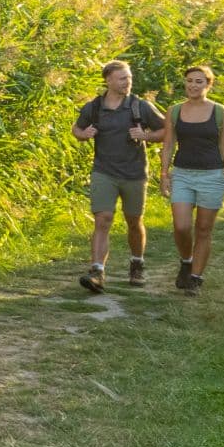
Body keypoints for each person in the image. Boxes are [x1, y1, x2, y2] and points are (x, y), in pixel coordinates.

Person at [73, 60, 165, 293]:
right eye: (123, 78)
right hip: (103, 171)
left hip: (134, 173)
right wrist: (84, 134)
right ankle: (97, 272)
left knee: (134, 221)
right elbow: (76, 129)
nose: (128, 82)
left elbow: (166, 129)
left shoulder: (139, 106)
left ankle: (137, 263)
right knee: (102, 219)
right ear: (109, 80)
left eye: (130, 77)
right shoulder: (93, 107)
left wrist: (145, 135)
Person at [160, 63, 224, 294]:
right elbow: (168, 145)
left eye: (199, 81)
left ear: (208, 85)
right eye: (189, 81)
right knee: (181, 226)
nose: (193, 85)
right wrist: (164, 175)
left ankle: (195, 278)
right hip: (182, 174)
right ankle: (186, 261)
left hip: (212, 176)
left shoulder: (220, 112)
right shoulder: (174, 111)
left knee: (203, 229)